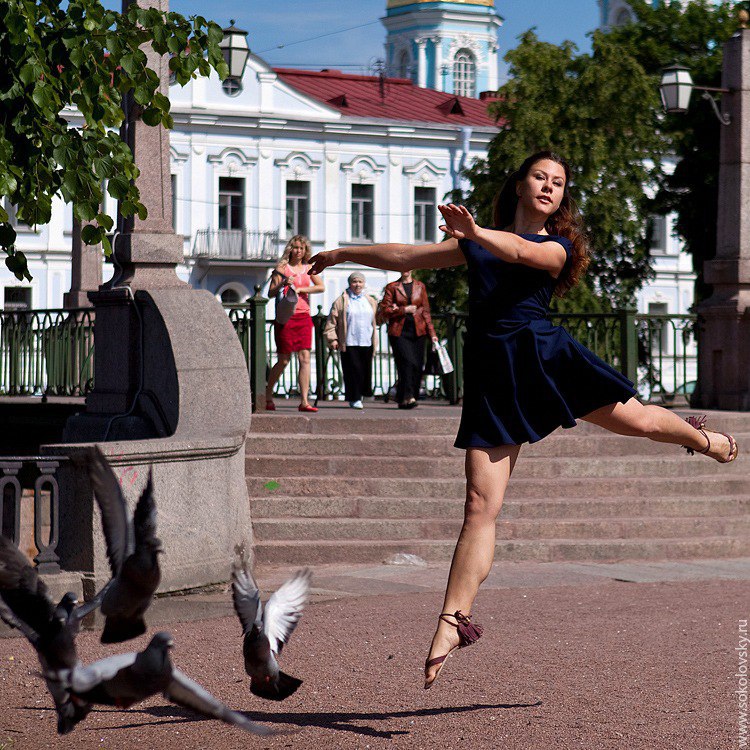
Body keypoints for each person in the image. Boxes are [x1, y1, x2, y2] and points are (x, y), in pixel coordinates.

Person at [308, 150, 739, 689]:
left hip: (545, 358)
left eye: (558, 182)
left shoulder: (554, 248)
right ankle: (451, 622)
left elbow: (515, 249)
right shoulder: (475, 241)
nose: (548, 186)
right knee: (478, 506)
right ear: (519, 184)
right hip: (494, 374)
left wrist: (475, 233)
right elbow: (405, 255)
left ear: (561, 198)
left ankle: (706, 440)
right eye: (540, 176)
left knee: (645, 423)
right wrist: (341, 252)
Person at [265, 235, 324, 412]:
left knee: (305, 358)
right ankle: (268, 394)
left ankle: (304, 401)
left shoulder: (309, 268)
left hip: (304, 316)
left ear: (305, 251)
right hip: (285, 317)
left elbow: (321, 287)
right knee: (283, 359)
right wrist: (283, 282)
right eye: (295, 247)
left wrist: (301, 289)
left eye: (301, 248)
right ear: (290, 249)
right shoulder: (282, 268)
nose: (298, 251)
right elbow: (270, 293)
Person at [379, 271, 438, 409]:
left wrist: (432, 333)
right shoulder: (392, 287)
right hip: (399, 332)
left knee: (417, 365)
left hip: (418, 331)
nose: (406, 269)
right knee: (407, 362)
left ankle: (404, 397)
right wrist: (403, 310)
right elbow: (385, 310)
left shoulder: (420, 286)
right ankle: (408, 396)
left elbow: (425, 311)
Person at [323, 272, 378, 409]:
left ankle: (362, 394)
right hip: (349, 341)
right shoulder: (342, 301)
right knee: (353, 370)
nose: (357, 285)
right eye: (355, 282)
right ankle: (354, 398)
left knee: (364, 370)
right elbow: (332, 321)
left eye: (360, 282)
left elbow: (377, 318)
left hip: (366, 340)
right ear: (350, 283)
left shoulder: (370, 300)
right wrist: (332, 339)